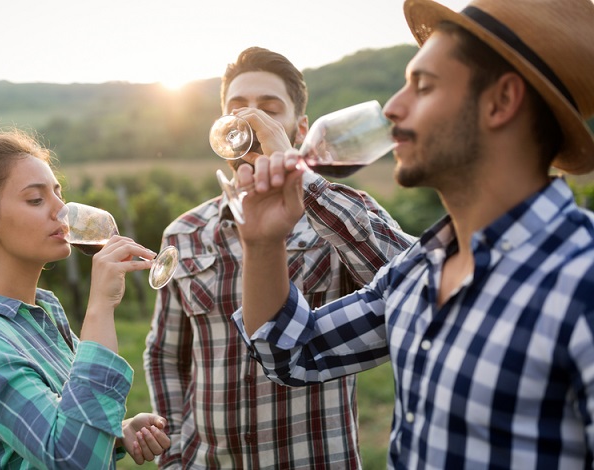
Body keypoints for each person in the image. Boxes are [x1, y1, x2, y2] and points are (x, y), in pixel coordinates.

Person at [233, 0, 594, 468]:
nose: (394, 107)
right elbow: (291, 353)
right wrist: (263, 244)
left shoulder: (582, 281)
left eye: (422, 86)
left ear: (501, 102)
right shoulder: (417, 268)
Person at [143, 47, 414, 468]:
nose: (250, 120)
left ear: (299, 127)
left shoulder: (340, 216)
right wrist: (175, 454)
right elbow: (165, 354)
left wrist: (301, 179)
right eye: (238, 108)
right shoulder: (183, 233)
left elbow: (418, 282)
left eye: (269, 110)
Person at [0, 129, 171, 469]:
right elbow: (72, 460)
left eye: (58, 194)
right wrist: (100, 308)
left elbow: (64, 420)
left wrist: (118, 432)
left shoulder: (44, 310)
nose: (62, 212)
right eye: (36, 200)